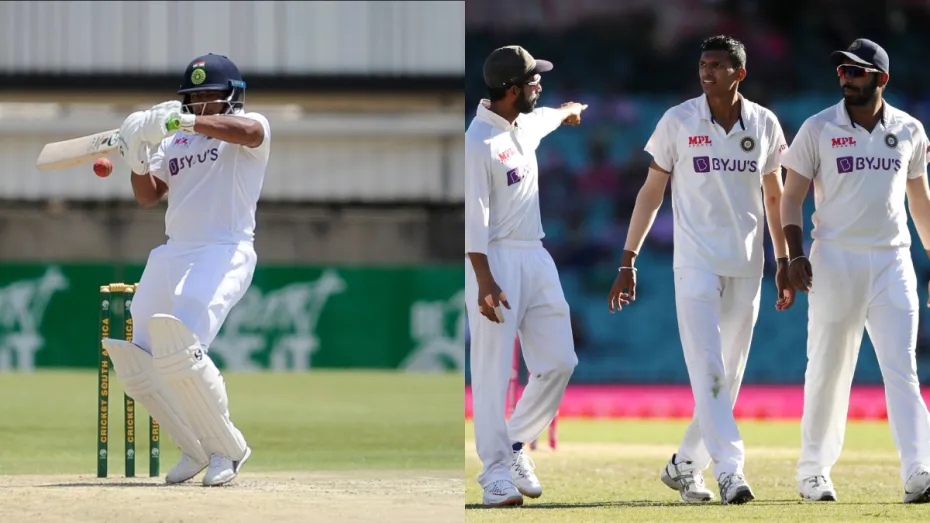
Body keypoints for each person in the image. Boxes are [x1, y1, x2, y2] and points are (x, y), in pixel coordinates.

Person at [607, 35, 790, 505]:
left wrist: (784, 259)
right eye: (703, 64)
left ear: (739, 73)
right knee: (708, 366)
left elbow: (774, 197)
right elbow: (651, 193)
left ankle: (685, 465)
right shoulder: (678, 120)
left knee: (728, 375)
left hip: (747, 264)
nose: (707, 71)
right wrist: (628, 258)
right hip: (695, 263)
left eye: (717, 65)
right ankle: (731, 471)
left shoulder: (765, 123)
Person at [102, 53, 270, 487]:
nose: (201, 103)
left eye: (210, 95)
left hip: (223, 249)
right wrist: (136, 154)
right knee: (138, 361)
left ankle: (227, 449)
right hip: (173, 251)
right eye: (194, 98)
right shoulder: (173, 141)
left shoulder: (250, 126)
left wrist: (187, 122)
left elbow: (250, 134)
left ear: (231, 96)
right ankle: (194, 448)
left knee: (182, 349)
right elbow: (148, 195)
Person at [780, 38, 930, 504]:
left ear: (881, 79)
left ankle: (919, 471)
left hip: (892, 260)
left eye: (856, 71)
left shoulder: (909, 129)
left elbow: (921, 203)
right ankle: (813, 472)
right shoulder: (818, 127)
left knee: (902, 368)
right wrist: (794, 253)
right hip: (835, 257)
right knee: (829, 367)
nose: (846, 77)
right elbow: (791, 197)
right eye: (842, 70)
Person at [464, 45, 587, 507]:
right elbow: (473, 219)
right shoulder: (478, 142)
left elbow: (549, 116)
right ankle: (494, 475)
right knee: (493, 372)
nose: (540, 86)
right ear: (513, 90)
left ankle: (514, 442)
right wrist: (484, 280)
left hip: (535, 254)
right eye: (535, 80)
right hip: (493, 261)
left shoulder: (522, 123)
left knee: (560, 362)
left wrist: (569, 111)